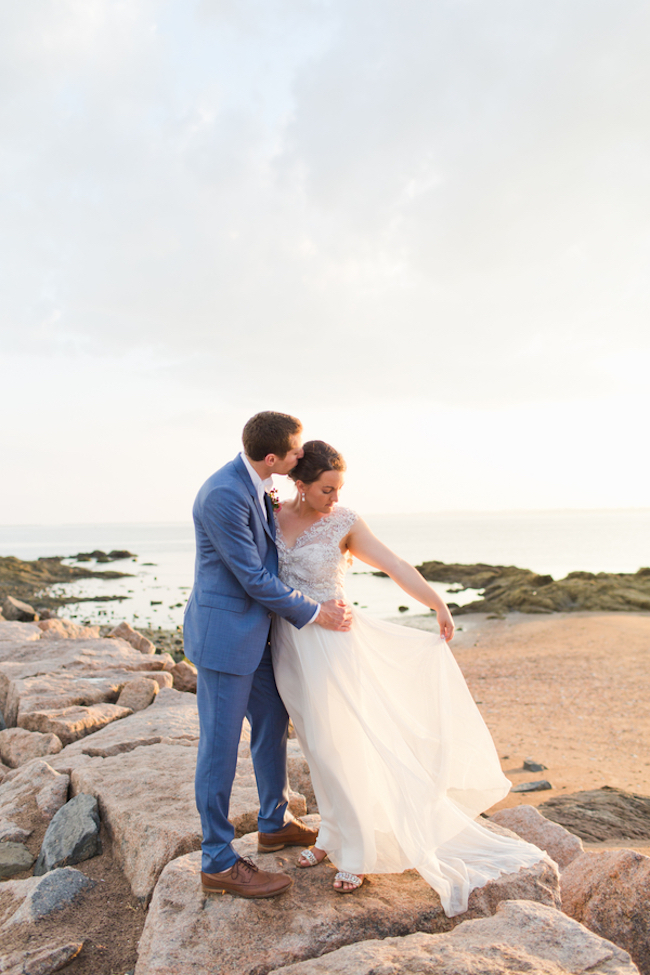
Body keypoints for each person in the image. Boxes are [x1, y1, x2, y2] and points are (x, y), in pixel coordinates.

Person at [272, 440, 548, 914]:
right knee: (316, 744)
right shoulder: (271, 516)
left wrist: (437, 604)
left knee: (346, 743)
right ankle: (333, 834)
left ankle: (357, 853)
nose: (334, 498)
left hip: (334, 644)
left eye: (339, 489)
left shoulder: (344, 522)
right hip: (289, 643)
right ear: (299, 484)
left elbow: (395, 564)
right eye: (326, 490)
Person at [184, 413, 352, 899]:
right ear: (274, 457)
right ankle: (217, 860)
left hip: (258, 633)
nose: (303, 455)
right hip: (225, 636)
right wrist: (314, 612)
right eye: (296, 451)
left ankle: (273, 821)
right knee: (219, 748)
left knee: (274, 719)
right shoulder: (224, 494)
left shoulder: (259, 483)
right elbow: (253, 577)